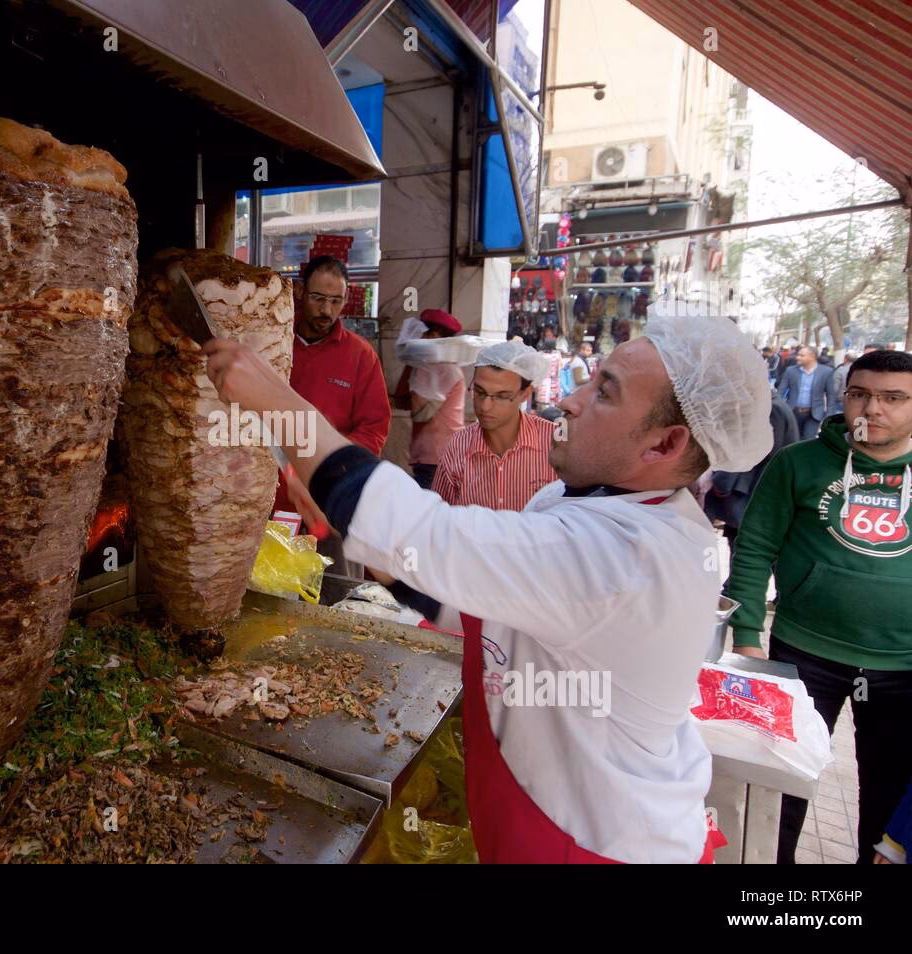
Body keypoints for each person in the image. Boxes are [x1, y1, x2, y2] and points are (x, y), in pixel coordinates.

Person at [203, 316, 773, 863]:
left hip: (591, 843)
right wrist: (371, 543)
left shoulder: (627, 557)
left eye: (605, 392)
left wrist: (276, 401)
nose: (569, 400)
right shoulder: (593, 500)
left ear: (665, 444)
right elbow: (473, 603)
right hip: (536, 819)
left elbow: (425, 532)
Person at [724, 348, 912, 864]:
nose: (872, 409)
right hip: (804, 652)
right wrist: (745, 634)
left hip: (901, 667)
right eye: (860, 394)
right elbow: (756, 544)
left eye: (893, 398)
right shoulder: (799, 463)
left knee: (888, 794)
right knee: (782, 780)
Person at [275, 254, 391, 558]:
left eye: (335, 301)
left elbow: (374, 427)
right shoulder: (275, 344)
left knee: (333, 593)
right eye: (317, 298)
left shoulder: (360, 356)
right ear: (300, 291)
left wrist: (334, 469)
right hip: (271, 496)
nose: (326, 310)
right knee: (265, 590)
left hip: (329, 500)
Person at [431, 340, 556, 512]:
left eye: (502, 396)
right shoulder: (458, 446)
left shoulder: (554, 444)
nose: (485, 406)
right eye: (480, 392)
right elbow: (442, 518)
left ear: (525, 394)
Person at [704, 386, 799, 557]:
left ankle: (731, 582)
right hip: (755, 484)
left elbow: (761, 451)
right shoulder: (774, 405)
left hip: (753, 485)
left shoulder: (772, 409)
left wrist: (722, 479)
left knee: (741, 540)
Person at [394, 308, 466, 490]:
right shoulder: (425, 367)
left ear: (437, 337)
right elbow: (401, 400)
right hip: (427, 457)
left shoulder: (442, 369)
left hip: (438, 459)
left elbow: (420, 413)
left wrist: (416, 363)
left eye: (426, 333)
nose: (420, 338)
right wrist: (411, 362)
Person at [779, 345, 835, 439]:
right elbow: (781, 391)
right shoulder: (790, 371)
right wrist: (779, 409)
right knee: (792, 439)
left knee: (808, 439)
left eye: (801, 355)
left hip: (814, 414)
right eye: (798, 355)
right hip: (793, 411)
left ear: (812, 356)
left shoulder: (826, 372)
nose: (797, 357)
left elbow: (830, 395)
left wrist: (829, 416)